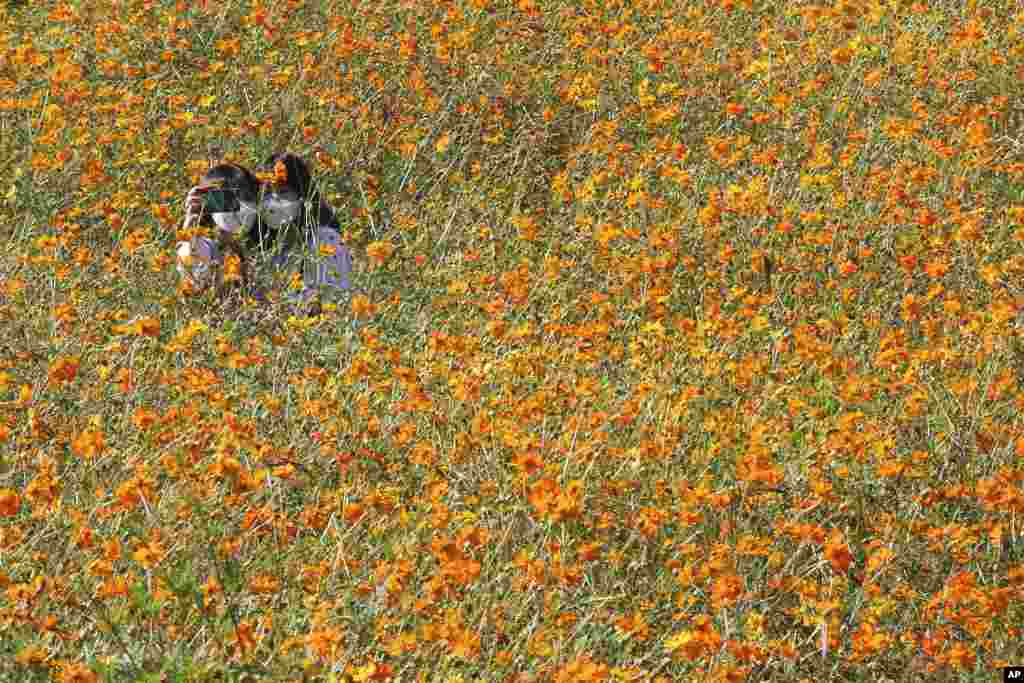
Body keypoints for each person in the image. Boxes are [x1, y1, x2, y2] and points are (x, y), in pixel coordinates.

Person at [176, 152, 354, 316]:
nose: (275, 201)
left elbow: (329, 312)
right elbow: (193, 283)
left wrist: (259, 307)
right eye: (268, 192)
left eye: (283, 192)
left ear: (303, 196)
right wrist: (191, 225)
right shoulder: (252, 239)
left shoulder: (324, 240)